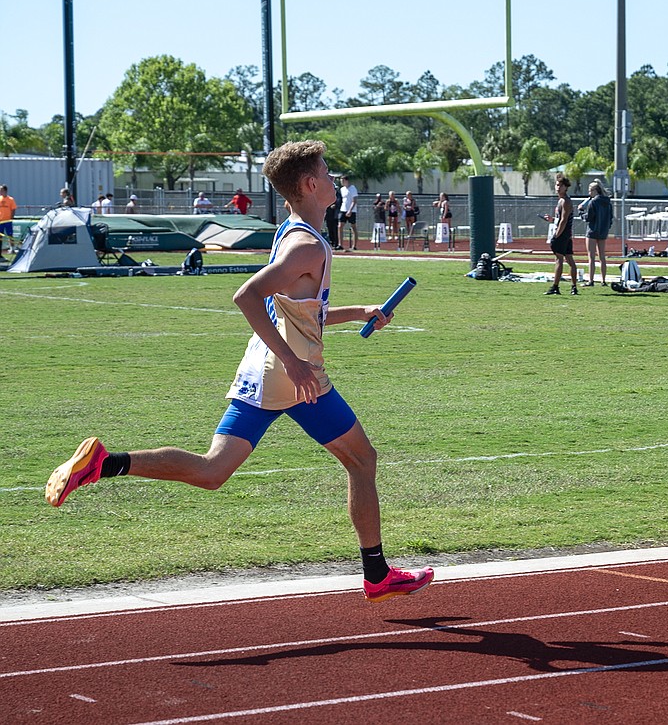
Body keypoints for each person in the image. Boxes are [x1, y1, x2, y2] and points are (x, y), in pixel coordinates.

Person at [44, 139, 434, 603]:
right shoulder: (307, 246)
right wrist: (293, 363)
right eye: (327, 172)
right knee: (362, 459)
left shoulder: (291, 231)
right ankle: (377, 574)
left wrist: (357, 312)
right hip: (294, 376)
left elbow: (297, 314)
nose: (333, 179)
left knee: (212, 470)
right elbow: (247, 297)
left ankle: (105, 463)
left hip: (264, 369)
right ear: (310, 184)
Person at [542, 173, 578, 295]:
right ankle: (573, 287)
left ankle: (555, 287)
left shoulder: (565, 201)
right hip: (565, 233)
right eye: (557, 185)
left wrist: (556, 235)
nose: (558, 188)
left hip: (563, 234)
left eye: (561, 186)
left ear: (566, 187)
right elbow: (559, 219)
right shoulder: (561, 200)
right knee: (569, 259)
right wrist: (552, 220)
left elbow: (564, 220)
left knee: (559, 259)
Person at [578, 180, 613, 286]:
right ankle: (603, 280)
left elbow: (588, 217)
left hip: (592, 231)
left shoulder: (593, 202)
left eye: (590, 191)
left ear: (595, 190)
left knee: (591, 257)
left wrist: (581, 212)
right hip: (603, 232)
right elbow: (611, 218)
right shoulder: (608, 202)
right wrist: (606, 228)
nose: (589, 193)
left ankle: (591, 280)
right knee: (602, 257)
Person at [338, 176, 359, 250]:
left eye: (342, 181)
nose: (341, 182)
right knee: (340, 226)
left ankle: (354, 246)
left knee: (353, 227)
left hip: (351, 210)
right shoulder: (342, 189)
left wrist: (350, 210)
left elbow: (354, 200)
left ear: (346, 180)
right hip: (343, 209)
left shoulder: (352, 188)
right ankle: (340, 244)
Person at [0, 185, 17, 261]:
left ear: (5, 191)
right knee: (0, 236)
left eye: (1, 190)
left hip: (8, 221)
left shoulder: (10, 199)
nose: (0, 192)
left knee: (10, 235)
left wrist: (11, 218)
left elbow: (13, 209)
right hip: (1, 221)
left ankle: (12, 249)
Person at [324, 180, 342, 250]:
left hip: (335, 215)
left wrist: (335, 205)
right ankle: (331, 242)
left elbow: (339, 202)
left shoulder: (338, 195)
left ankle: (336, 243)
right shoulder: (327, 195)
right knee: (330, 229)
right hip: (329, 215)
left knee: (335, 229)